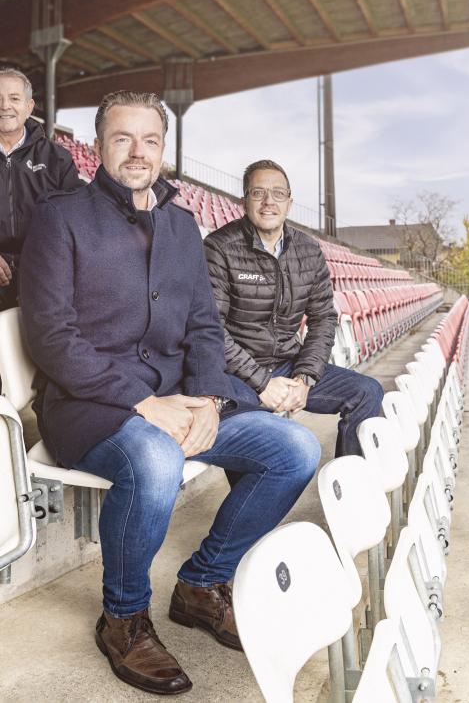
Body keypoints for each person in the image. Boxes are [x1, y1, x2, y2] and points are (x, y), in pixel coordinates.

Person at [19, 93, 320, 696]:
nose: (138, 152)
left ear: (163, 149)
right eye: (123, 138)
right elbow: (51, 336)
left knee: (294, 449)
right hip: (90, 405)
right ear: (98, 146)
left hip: (180, 400)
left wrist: (207, 399)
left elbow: (204, 326)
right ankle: (123, 619)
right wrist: (145, 403)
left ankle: (202, 584)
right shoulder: (59, 217)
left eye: (150, 140)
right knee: (156, 459)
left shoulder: (182, 225)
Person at [204, 159, 383, 457]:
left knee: (367, 392)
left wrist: (304, 378)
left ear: (289, 203)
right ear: (243, 201)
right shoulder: (218, 247)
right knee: (262, 433)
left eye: (278, 193)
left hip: (288, 364)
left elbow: (323, 318)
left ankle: (350, 478)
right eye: (258, 193)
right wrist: (262, 383)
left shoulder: (308, 250)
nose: (268, 202)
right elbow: (211, 329)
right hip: (236, 373)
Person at [0, 67, 81, 309]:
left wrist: (44, 260)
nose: (5, 106)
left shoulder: (58, 159)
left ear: (29, 106)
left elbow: (76, 222)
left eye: (14, 98)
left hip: (44, 274)